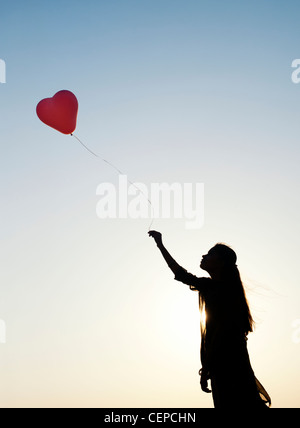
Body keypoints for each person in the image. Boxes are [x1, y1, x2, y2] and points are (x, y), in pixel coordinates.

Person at [148, 230, 271, 409]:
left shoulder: (222, 291)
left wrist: (207, 367)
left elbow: (220, 334)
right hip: (226, 361)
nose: (204, 255)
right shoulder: (213, 287)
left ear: (221, 263)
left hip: (228, 363)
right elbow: (182, 275)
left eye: (210, 254)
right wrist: (160, 245)